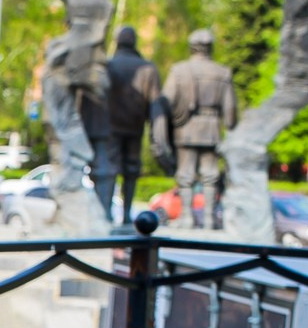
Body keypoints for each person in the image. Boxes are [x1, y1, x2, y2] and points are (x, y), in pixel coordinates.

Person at [165, 28, 235, 229]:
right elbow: (230, 111)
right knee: (210, 175)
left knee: (185, 175)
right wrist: (228, 129)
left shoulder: (179, 71)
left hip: (185, 128)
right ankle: (209, 218)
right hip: (212, 129)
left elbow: (167, 101)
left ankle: (186, 217)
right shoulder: (222, 73)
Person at [100, 25, 161, 217]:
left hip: (110, 127)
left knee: (109, 167)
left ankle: (106, 213)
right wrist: (156, 135)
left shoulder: (109, 66)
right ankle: (126, 214)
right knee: (131, 169)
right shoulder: (148, 68)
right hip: (135, 127)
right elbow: (156, 105)